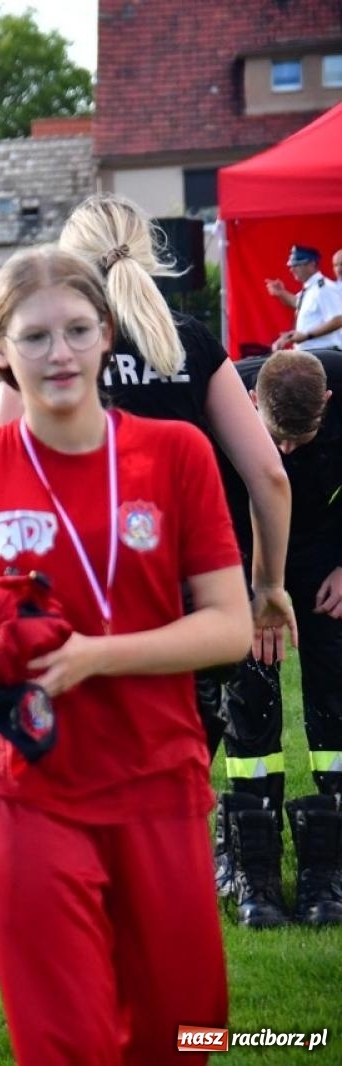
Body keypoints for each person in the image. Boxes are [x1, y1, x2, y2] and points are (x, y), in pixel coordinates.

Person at [0, 245, 251, 1062]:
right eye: (34, 338)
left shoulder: (176, 454)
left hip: (157, 776)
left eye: (77, 331)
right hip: (27, 787)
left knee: (186, 1029)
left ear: (106, 338)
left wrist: (97, 656)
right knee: (67, 1039)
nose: (58, 354)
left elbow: (230, 627)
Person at [0, 192, 296, 746]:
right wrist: (267, 584)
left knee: (82, 786)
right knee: (171, 791)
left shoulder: (46, 347)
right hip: (185, 601)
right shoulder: (191, 341)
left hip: (77, 590)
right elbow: (269, 474)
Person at [217, 348, 342, 927]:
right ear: (249, 406)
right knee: (250, 685)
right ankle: (251, 857)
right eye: (277, 439)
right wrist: (248, 589)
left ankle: (330, 856)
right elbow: (204, 504)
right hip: (244, 551)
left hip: (324, 550)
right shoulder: (220, 397)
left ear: (329, 404)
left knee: (335, 686)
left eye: (301, 439)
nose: (287, 452)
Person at [267, 245, 342, 352]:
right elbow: (297, 303)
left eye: (297, 265)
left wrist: (306, 335)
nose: (292, 269)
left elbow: (338, 320)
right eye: (291, 266)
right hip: (312, 353)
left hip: (324, 352)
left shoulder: (324, 288)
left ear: (312, 264)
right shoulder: (310, 289)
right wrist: (281, 293)